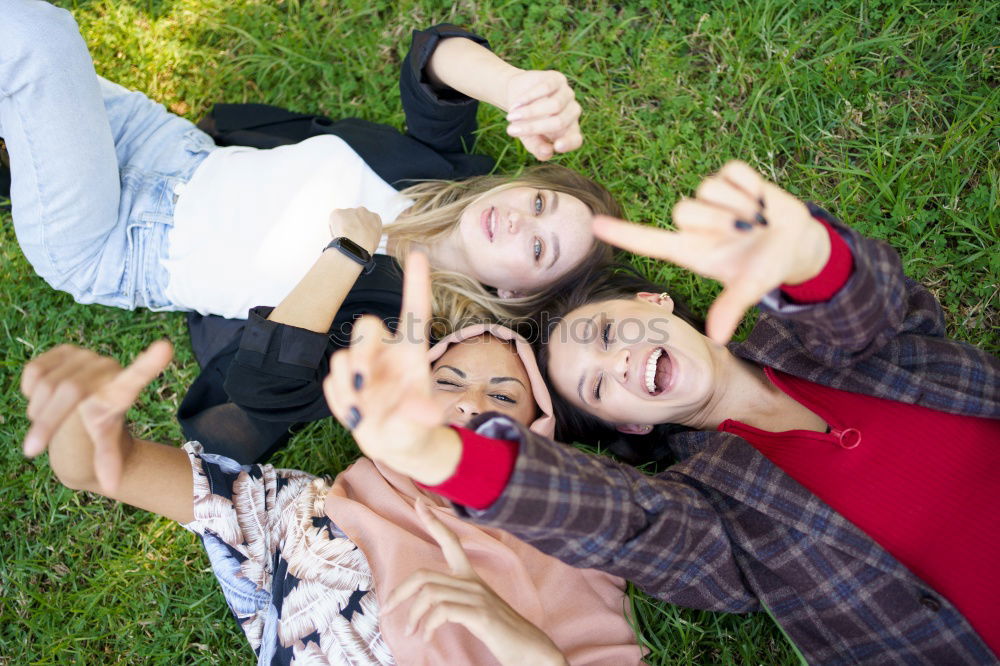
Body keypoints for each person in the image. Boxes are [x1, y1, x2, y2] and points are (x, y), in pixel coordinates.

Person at [325, 165, 1000, 664]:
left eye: (609, 333)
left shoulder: (809, 335)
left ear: (655, 304)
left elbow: (873, 315)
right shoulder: (717, 515)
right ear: (630, 425)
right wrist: (442, 456)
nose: (617, 362)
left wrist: (810, 257)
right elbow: (623, 526)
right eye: (596, 388)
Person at [18, 272, 642, 664]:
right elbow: (108, 469)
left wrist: (517, 642)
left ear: (539, 436)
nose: (470, 403)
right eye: (445, 381)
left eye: (504, 397)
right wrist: (84, 421)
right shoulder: (299, 512)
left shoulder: (578, 540)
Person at [1, 1, 618, 321]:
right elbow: (432, 59)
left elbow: (263, 384)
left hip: (113, 245)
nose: (520, 220)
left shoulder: (402, 323)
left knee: (33, 39)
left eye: (539, 248)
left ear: (514, 292)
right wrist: (515, 89)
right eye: (539, 202)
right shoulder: (439, 174)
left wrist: (348, 256)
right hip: (163, 148)